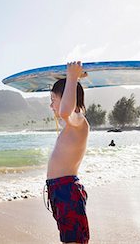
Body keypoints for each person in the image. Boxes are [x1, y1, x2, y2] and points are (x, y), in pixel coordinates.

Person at [46, 61, 90, 244]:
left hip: (67, 190)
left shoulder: (78, 121)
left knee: (73, 240)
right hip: (59, 190)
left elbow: (66, 111)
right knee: (69, 238)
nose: (51, 106)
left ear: (65, 98)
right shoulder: (71, 126)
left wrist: (72, 77)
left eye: (53, 100)